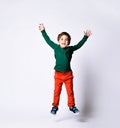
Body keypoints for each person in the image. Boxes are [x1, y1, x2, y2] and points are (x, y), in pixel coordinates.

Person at [39, 23, 92, 115]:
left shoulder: (70, 49)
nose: (64, 41)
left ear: (69, 42)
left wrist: (85, 37)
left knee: (70, 92)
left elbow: (79, 45)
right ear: (58, 41)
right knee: (56, 91)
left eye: (66, 40)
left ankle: (72, 106)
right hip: (58, 75)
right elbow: (48, 40)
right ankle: (55, 106)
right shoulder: (55, 47)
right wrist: (43, 31)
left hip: (68, 75)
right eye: (62, 39)